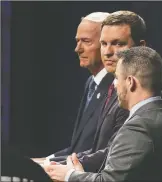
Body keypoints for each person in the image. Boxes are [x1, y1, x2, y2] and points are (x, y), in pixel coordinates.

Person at [45, 46, 162, 182]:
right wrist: (79, 173)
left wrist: (69, 176)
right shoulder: (161, 116)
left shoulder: (139, 126)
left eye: (117, 78)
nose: (115, 85)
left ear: (130, 82)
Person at [33, 12, 115, 164]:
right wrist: (45, 160)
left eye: (86, 41)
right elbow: (77, 148)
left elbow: (100, 152)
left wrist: (47, 165)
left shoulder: (116, 87)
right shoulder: (91, 82)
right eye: (77, 41)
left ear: (105, 45)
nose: (77, 49)